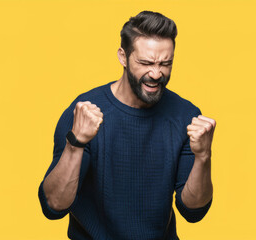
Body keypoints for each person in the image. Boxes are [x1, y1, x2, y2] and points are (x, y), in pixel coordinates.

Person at [38, 10, 216, 239]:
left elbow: (193, 210)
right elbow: (53, 206)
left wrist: (203, 156)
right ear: (123, 56)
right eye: (145, 62)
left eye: (165, 63)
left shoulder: (185, 115)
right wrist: (76, 143)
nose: (156, 73)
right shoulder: (85, 112)